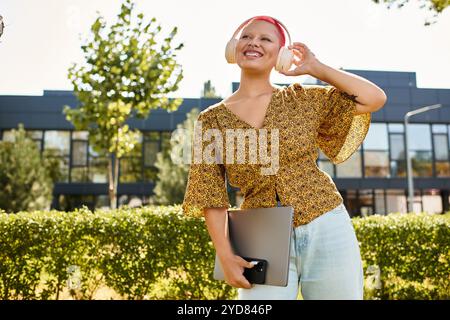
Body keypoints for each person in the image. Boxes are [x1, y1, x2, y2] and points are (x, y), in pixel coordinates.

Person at [181, 15, 387, 300]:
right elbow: (209, 193)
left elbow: (373, 98)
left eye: (265, 39)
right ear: (234, 46)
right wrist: (225, 254)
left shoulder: (302, 99)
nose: (254, 42)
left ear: (282, 54)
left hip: (326, 223)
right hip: (259, 235)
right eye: (246, 37)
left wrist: (316, 67)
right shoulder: (211, 120)